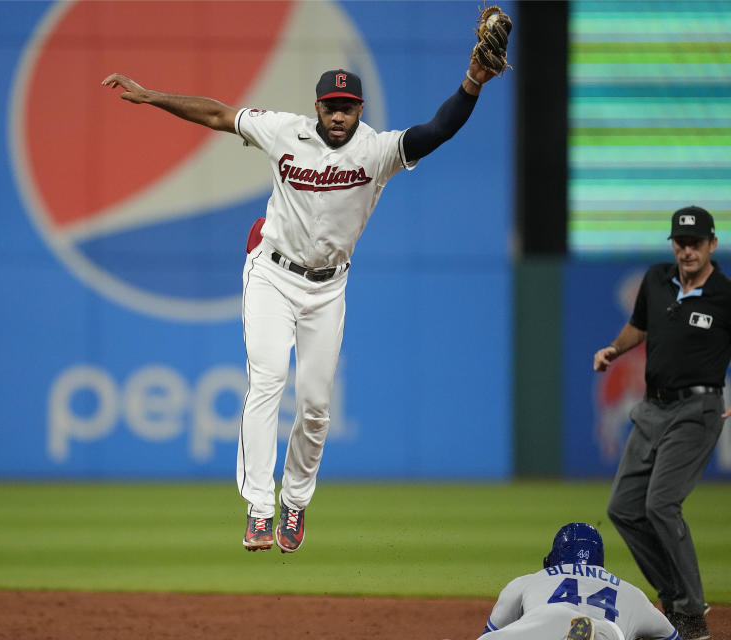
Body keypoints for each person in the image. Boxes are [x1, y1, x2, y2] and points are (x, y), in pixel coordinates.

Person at [102, 46, 501, 552]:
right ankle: (259, 508)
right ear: (316, 107)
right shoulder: (284, 131)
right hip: (271, 273)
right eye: (331, 105)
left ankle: (294, 503)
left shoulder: (378, 151)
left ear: (361, 110)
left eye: (348, 106)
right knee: (267, 380)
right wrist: (153, 96)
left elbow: (437, 130)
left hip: (328, 287)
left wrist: (472, 81)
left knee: (314, 405)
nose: (338, 114)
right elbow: (218, 113)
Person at [593, 205, 730, 640]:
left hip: (697, 412)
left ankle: (691, 612)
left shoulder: (725, 295)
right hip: (652, 410)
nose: (687, 250)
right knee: (623, 508)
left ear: (712, 244)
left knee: (661, 503)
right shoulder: (657, 279)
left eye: (696, 242)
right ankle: (672, 594)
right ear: (673, 244)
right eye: (680, 242)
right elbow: (639, 327)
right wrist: (615, 349)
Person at [480, 522, 679, 640]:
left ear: (554, 557)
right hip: (609, 632)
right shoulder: (633, 595)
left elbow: (493, 631)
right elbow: (672, 636)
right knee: (613, 631)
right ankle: (598, 633)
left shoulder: (528, 581)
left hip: (550, 621)